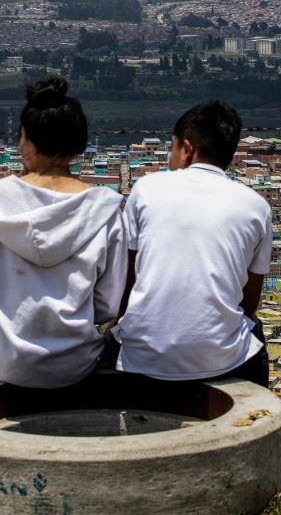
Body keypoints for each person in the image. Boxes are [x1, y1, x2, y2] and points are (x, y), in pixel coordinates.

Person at [0, 77, 127, 389]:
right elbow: (108, 304)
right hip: (71, 363)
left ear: (30, 142)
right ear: (78, 142)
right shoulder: (103, 210)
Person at [113, 101, 272, 386]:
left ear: (186, 149)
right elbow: (250, 303)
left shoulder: (147, 189)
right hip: (221, 359)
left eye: (171, 149)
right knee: (254, 331)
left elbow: (127, 279)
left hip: (144, 356)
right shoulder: (256, 206)